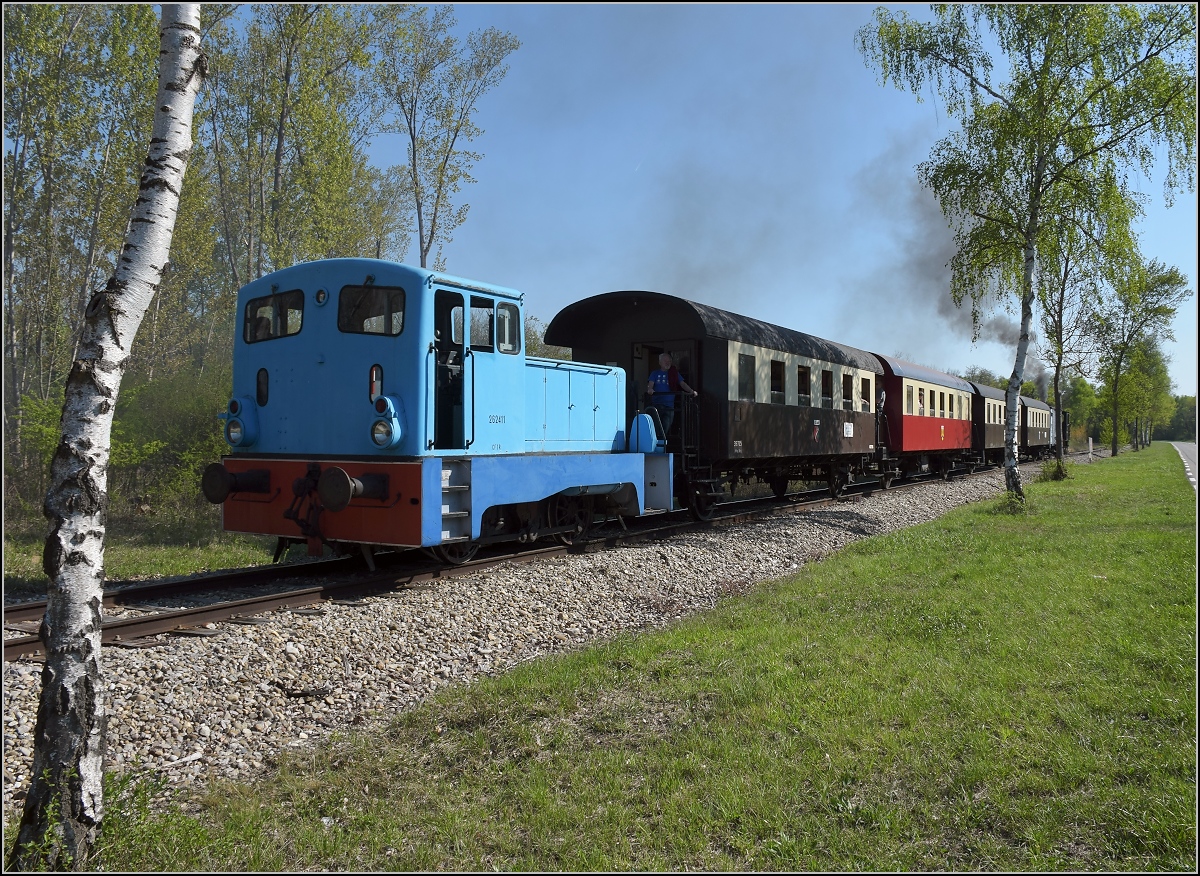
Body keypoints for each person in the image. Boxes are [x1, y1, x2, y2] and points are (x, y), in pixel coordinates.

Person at [646, 352, 698, 439]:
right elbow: (650, 384)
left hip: (669, 406)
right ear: (660, 362)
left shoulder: (674, 373)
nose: (668, 363)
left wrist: (691, 391)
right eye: (665, 361)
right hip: (657, 405)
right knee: (656, 427)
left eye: (669, 361)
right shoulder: (654, 373)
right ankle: (656, 446)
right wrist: (650, 389)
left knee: (665, 427)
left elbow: (682, 384)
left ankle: (662, 447)